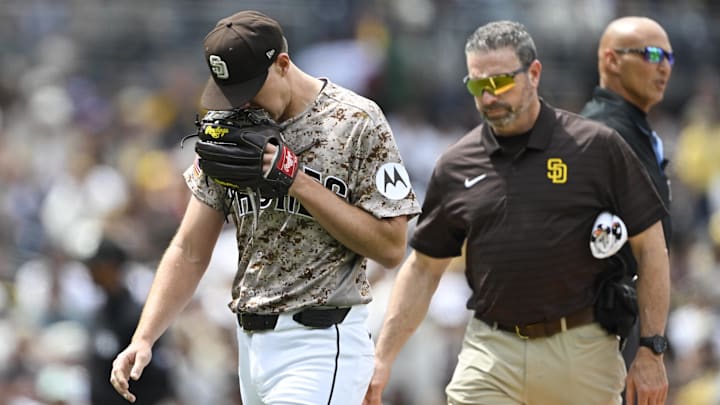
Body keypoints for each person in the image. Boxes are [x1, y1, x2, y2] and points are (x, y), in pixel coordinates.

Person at [109, 10, 421, 405]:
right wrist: (144, 337)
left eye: (250, 89)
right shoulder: (230, 131)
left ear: (283, 65)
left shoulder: (357, 122)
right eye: (230, 92)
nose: (241, 103)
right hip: (251, 348)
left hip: (321, 342)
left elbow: (392, 247)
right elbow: (189, 249)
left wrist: (298, 181)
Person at [363, 20, 670, 405]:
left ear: (535, 74)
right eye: (478, 85)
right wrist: (382, 357)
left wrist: (652, 349)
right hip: (492, 349)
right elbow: (424, 268)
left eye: (502, 82)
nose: (490, 96)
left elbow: (651, 246)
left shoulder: (596, 147)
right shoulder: (456, 165)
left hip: (581, 348)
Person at [579, 16, 674, 401]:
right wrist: (650, 347)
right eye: (652, 54)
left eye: (669, 55)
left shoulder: (631, 129)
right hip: (593, 333)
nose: (664, 65)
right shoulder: (601, 133)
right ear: (612, 60)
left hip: (617, 324)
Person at [85, 238, 174, 405]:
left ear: (113, 267)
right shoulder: (99, 314)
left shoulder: (138, 317)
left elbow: (158, 376)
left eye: (97, 266)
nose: (91, 272)